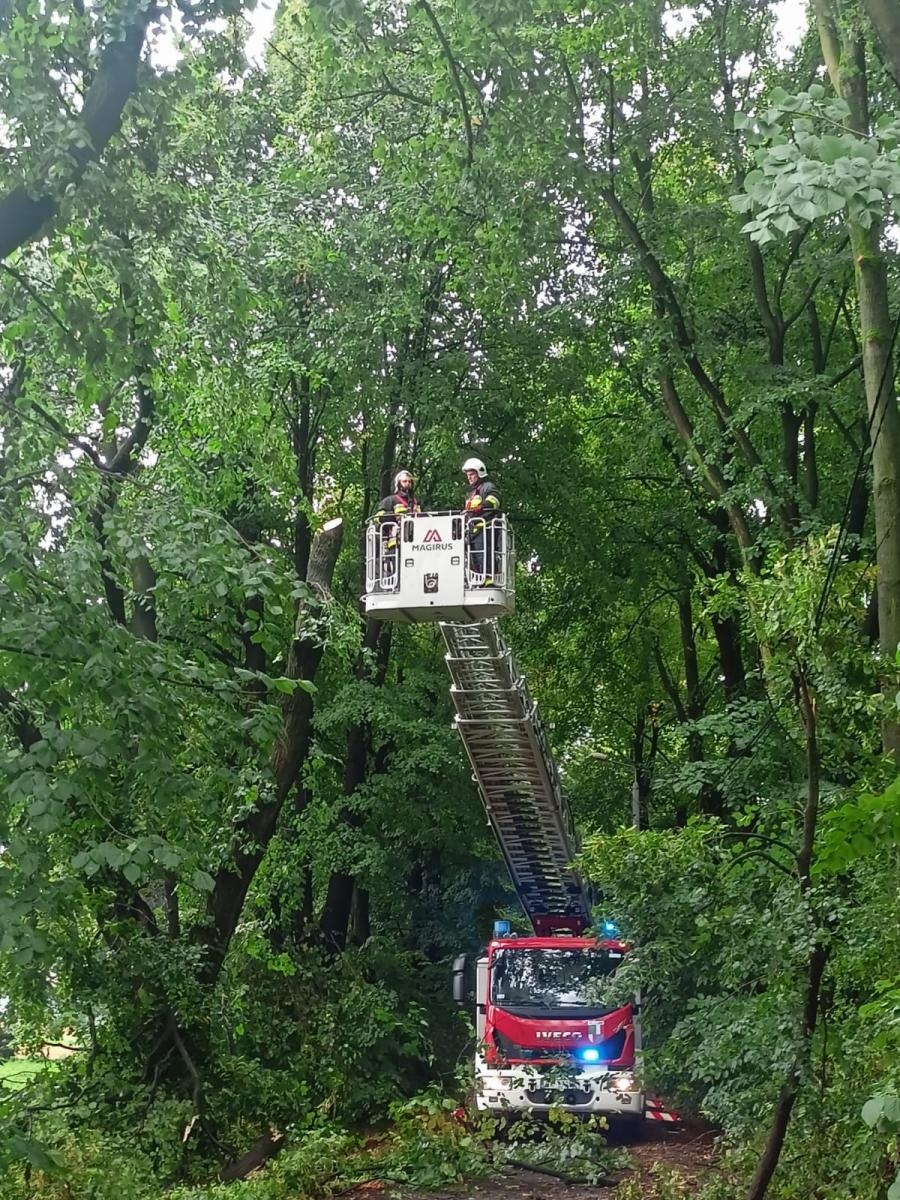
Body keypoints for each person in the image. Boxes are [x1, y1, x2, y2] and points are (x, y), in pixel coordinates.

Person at [372, 469, 421, 582]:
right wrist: (393, 516)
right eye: (404, 481)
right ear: (398, 484)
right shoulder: (390, 501)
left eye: (409, 482)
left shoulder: (415, 502)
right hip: (396, 544)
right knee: (398, 573)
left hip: (416, 544)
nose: (408, 484)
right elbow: (378, 518)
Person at [462, 457, 501, 583]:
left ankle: (488, 579)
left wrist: (481, 506)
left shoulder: (488, 487)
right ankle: (478, 579)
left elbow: (494, 501)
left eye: (472, 474)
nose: (469, 477)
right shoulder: (471, 493)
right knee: (474, 557)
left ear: (480, 473)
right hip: (473, 530)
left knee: (484, 554)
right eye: (468, 475)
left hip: (486, 527)